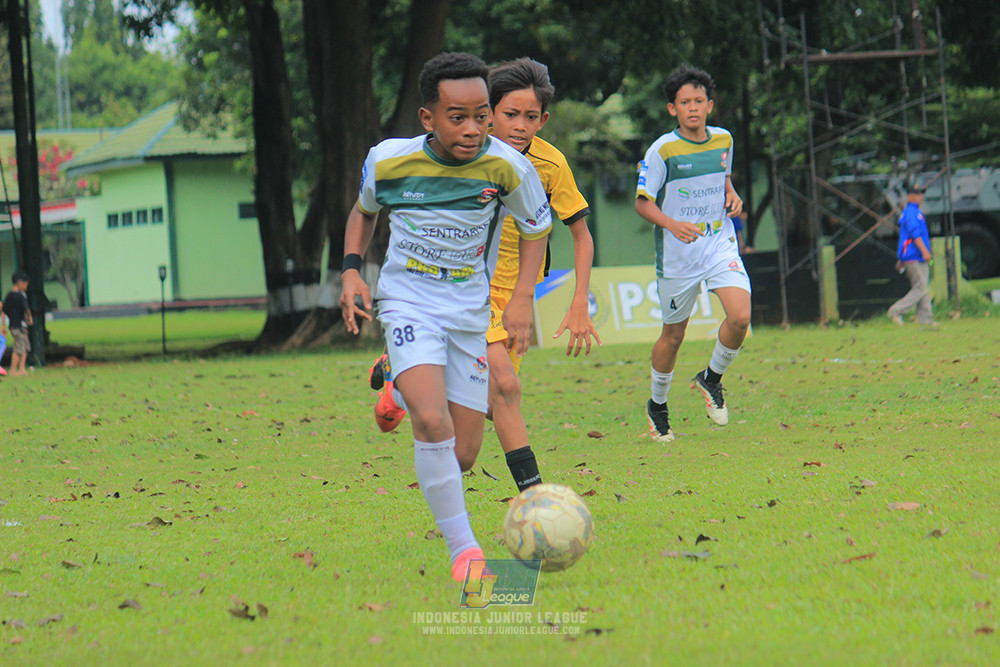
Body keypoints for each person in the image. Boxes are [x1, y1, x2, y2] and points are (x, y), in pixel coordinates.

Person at [339, 52, 552, 581]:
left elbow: (536, 228)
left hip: (469, 313)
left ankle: (396, 388)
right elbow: (363, 212)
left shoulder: (508, 166)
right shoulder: (389, 161)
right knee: (431, 422)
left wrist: (522, 298)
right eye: (458, 117)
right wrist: (351, 271)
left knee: (462, 454)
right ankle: (466, 552)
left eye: (482, 116)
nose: (473, 129)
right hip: (408, 301)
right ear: (428, 117)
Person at [484, 57, 600, 492]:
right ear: (489, 112)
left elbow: (581, 236)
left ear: (543, 120)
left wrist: (578, 302)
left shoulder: (550, 164)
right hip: (470, 287)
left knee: (494, 400)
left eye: (531, 117)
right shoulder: (468, 154)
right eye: (510, 114)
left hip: (518, 294)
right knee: (505, 387)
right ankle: (535, 497)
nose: (520, 126)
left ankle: (405, 378)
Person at [634, 64, 750, 442]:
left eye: (699, 101)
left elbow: (723, 181)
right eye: (685, 102)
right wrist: (672, 224)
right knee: (673, 336)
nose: (693, 107)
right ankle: (657, 405)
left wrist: (732, 195)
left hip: (718, 243)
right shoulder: (661, 151)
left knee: (740, 316)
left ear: (710, 105)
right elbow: (642, 202)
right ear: (673, 109)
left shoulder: (725, 140)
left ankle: (711, 379)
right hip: (678, 255)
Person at [888, 185, 935, 326]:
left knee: (923, 288)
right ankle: (896, 311)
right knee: (920, 287)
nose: (920, 197)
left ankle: (926, 321)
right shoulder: (911, 212)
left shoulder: (915, 212)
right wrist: (925, 251)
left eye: (921, 193)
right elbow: (914, 234)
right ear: (909, 196)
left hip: (916, 255)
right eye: (917, 194)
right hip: (914, 255)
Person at [3, 271, 33, 376]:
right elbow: (26, 308)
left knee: (24, 346)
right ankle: (13, 369)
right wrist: (30, 317)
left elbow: (4, 310)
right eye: (25, 285)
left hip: (16, 325)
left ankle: (22, 368)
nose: (26, 287)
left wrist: (3, 325)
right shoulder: (20, 296)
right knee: (18, 347)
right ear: (20, 282)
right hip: (18, 326)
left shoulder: (9, 295)